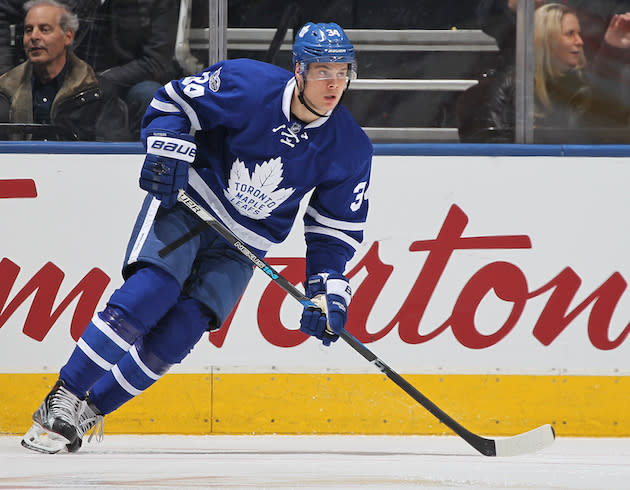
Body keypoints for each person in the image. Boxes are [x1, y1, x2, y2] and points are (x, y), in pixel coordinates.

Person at [20, 21, 373, 454]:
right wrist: (165, 147)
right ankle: (64, 395)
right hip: (193, 204)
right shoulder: (248, 83)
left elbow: (332, 232)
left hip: (246, 241)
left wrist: (326, 293)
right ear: (298, 69)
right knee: (151, 292)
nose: (334, 83)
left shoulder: (350, 147)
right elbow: (173, 102)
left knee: (182, 330)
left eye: (343, 71)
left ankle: (89, 411)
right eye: (322, 71)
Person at [457, 4, 630, 143]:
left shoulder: (582, 85)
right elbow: (488, 144)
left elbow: (603, 125)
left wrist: (612, 48)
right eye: (570, 34)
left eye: (578, 33)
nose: (580, 41)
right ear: (547, 38)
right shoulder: (508, 88)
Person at [0, 0, 128, 141]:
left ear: (68, 36)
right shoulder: (5, 91)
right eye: (28, 30)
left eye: (44, 29)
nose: (34, 37)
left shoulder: (97, 92)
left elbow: (112, 156)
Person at [72, 0, 180, 140]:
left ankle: (140, 155)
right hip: (73, 75)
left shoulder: (159, 3)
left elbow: (156, 62)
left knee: (149, 94)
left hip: (127, 81)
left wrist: (100, 81)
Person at [477, 0, 630, 67]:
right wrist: (510, 6)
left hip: (589, 80)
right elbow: (486, 20)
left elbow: (620, 33)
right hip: (526, 78)